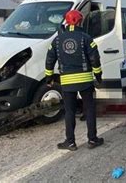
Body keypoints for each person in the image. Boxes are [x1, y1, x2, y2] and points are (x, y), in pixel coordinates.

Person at [45, 10, 104, 151]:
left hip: (66, 81)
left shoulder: (57, 40)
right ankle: (92, 140)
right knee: (89, 110)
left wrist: (49, 77)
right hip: (85, 80)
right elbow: (95, 59)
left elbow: (49, 59)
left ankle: (70, 142)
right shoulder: (86, 37)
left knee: (70, 112)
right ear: (78, 21)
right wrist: (98, 76)